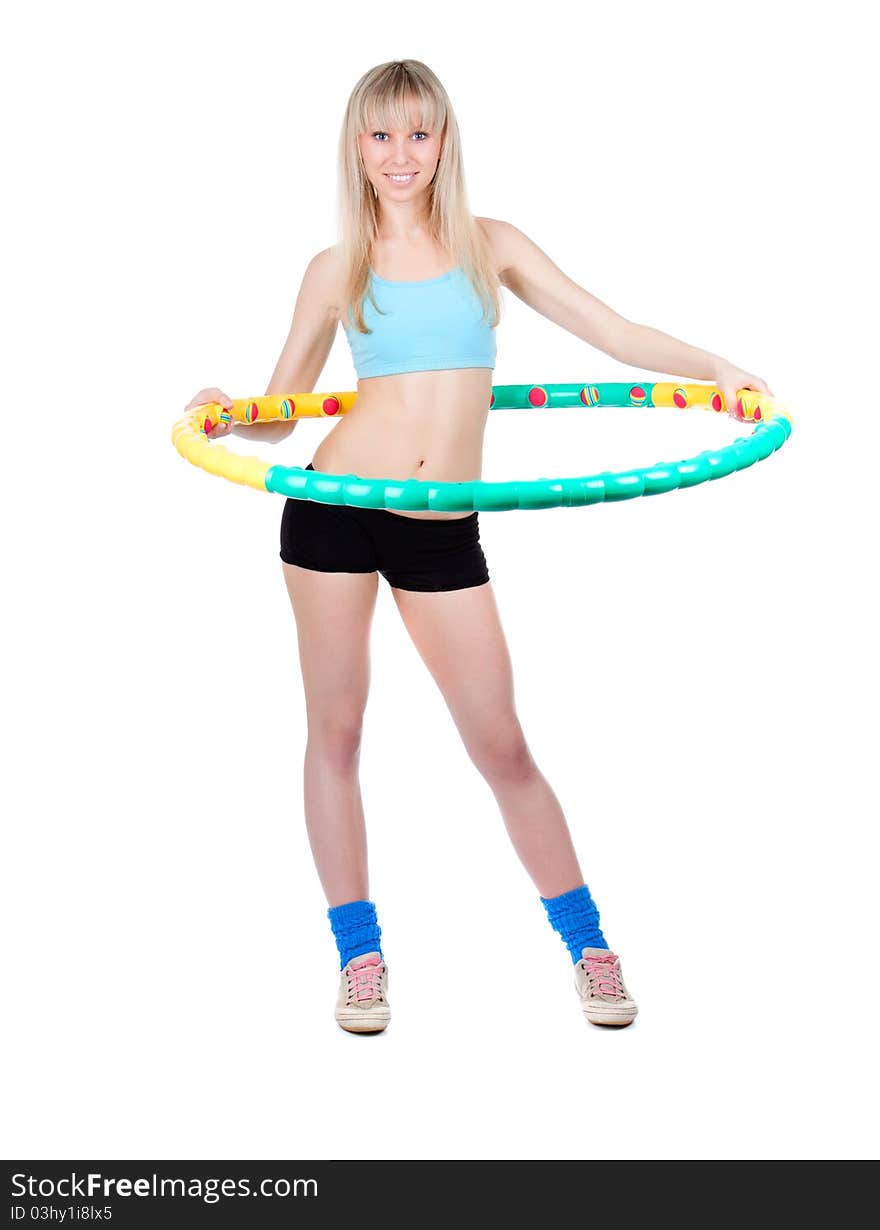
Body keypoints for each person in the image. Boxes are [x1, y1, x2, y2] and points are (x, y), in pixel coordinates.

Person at [186, 58, 772, 1035]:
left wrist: (717, 371)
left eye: (418, 133)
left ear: (443, 142)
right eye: (380, 135)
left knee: (500, 743)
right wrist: (227, 412)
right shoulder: (336, 266)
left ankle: (589, 947)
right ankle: (360, 955)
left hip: (440, 522)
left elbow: (614, 332)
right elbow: (282, 415)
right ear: (355, 148)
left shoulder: (490, 245)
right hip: (332, 505)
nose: (399, 154)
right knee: (335, 733)